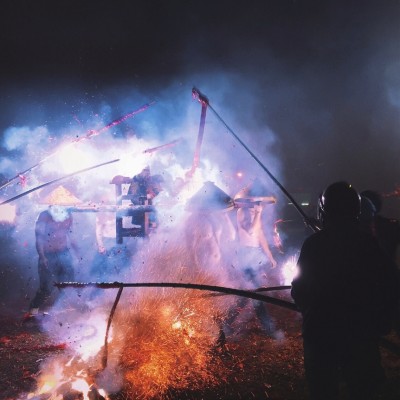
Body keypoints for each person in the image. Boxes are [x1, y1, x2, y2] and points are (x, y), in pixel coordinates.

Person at [291, 181, 398, 400]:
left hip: (321, 335)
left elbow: (299, 291)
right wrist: (381, 321)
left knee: (323, 391)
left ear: (324, 211)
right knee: (364, 390)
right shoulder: (368, 245)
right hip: (360, 335)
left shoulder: (313, 245)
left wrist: (311, 309)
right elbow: (390, 284)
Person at [224, 197, 281, 339]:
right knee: (256, 294)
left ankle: (226, 323)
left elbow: (260, 236)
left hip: (255, 255)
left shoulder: (255, 213)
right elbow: (250, 231)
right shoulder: (242, 212)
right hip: (245, 255)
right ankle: (269, 329)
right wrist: (258, 213)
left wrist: (270, 256)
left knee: (247, 295)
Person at [27, 204, 80, 317]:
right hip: (48, 255)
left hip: (64, 253)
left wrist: (78, 254)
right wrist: (42, 257)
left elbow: (71, 235)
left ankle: (66, 312)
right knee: (46, 288)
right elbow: (39, 238)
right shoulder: (44, 216)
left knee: (69, 284)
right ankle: (32, 311)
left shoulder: (68, 215)